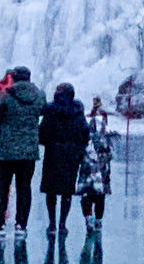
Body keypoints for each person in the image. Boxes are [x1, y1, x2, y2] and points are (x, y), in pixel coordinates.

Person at [0, 65, 45, 239]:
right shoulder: (39, 96)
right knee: (24, 188)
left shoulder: (7, 96)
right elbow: (44, 110)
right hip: (28, 153)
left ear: (15, 78)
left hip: (6, 152)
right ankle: (21, 226)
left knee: (1, 189)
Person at [38, 82, 90, 237]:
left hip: (53, 152)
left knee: (51, 190)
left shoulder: (51, 110)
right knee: (67, 191)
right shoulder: (77, 111)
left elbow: (43, 132)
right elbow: (84, 132)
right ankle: (63, 223)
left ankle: (52, 223)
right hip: (71, 155)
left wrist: (48, 142)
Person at [79, 99, 114, 233]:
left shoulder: (86, 128)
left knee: (86, 193)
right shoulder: (104, 133)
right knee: (100, 195)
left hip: (87, 166)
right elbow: (109, 152)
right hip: (102, 167)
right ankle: (98, 220)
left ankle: (89, 218)